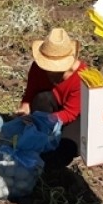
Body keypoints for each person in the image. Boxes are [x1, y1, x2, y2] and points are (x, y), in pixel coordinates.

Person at [16, 28, 88, 169]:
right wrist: (25, 108)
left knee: (66, 149)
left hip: (75, 117)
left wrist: (42, 119)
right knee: (42, 97)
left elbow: (70, 113)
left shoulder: (81, 77)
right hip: (50, 105)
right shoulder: (37, 68)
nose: (49, 71)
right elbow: (30, 94)